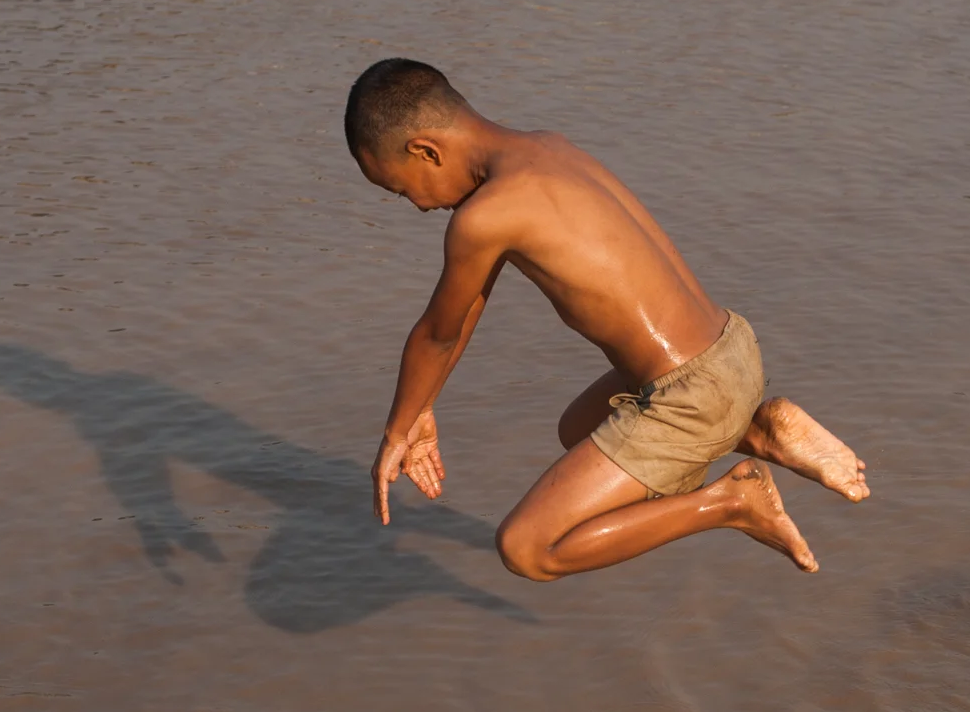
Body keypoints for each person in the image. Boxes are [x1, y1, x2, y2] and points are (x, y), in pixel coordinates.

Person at [345, 58, 868, 580]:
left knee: (527, 548)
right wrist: (422, 407)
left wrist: (395, 434)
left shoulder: (484, 217)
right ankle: (759, 428)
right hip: (730, 346)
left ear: (426, 151)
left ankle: (731, 501)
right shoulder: (549, 148)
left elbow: (436, 334)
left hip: (691, 395)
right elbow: (460, 314)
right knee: (579, 428)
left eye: (400, 188)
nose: (414, 204)